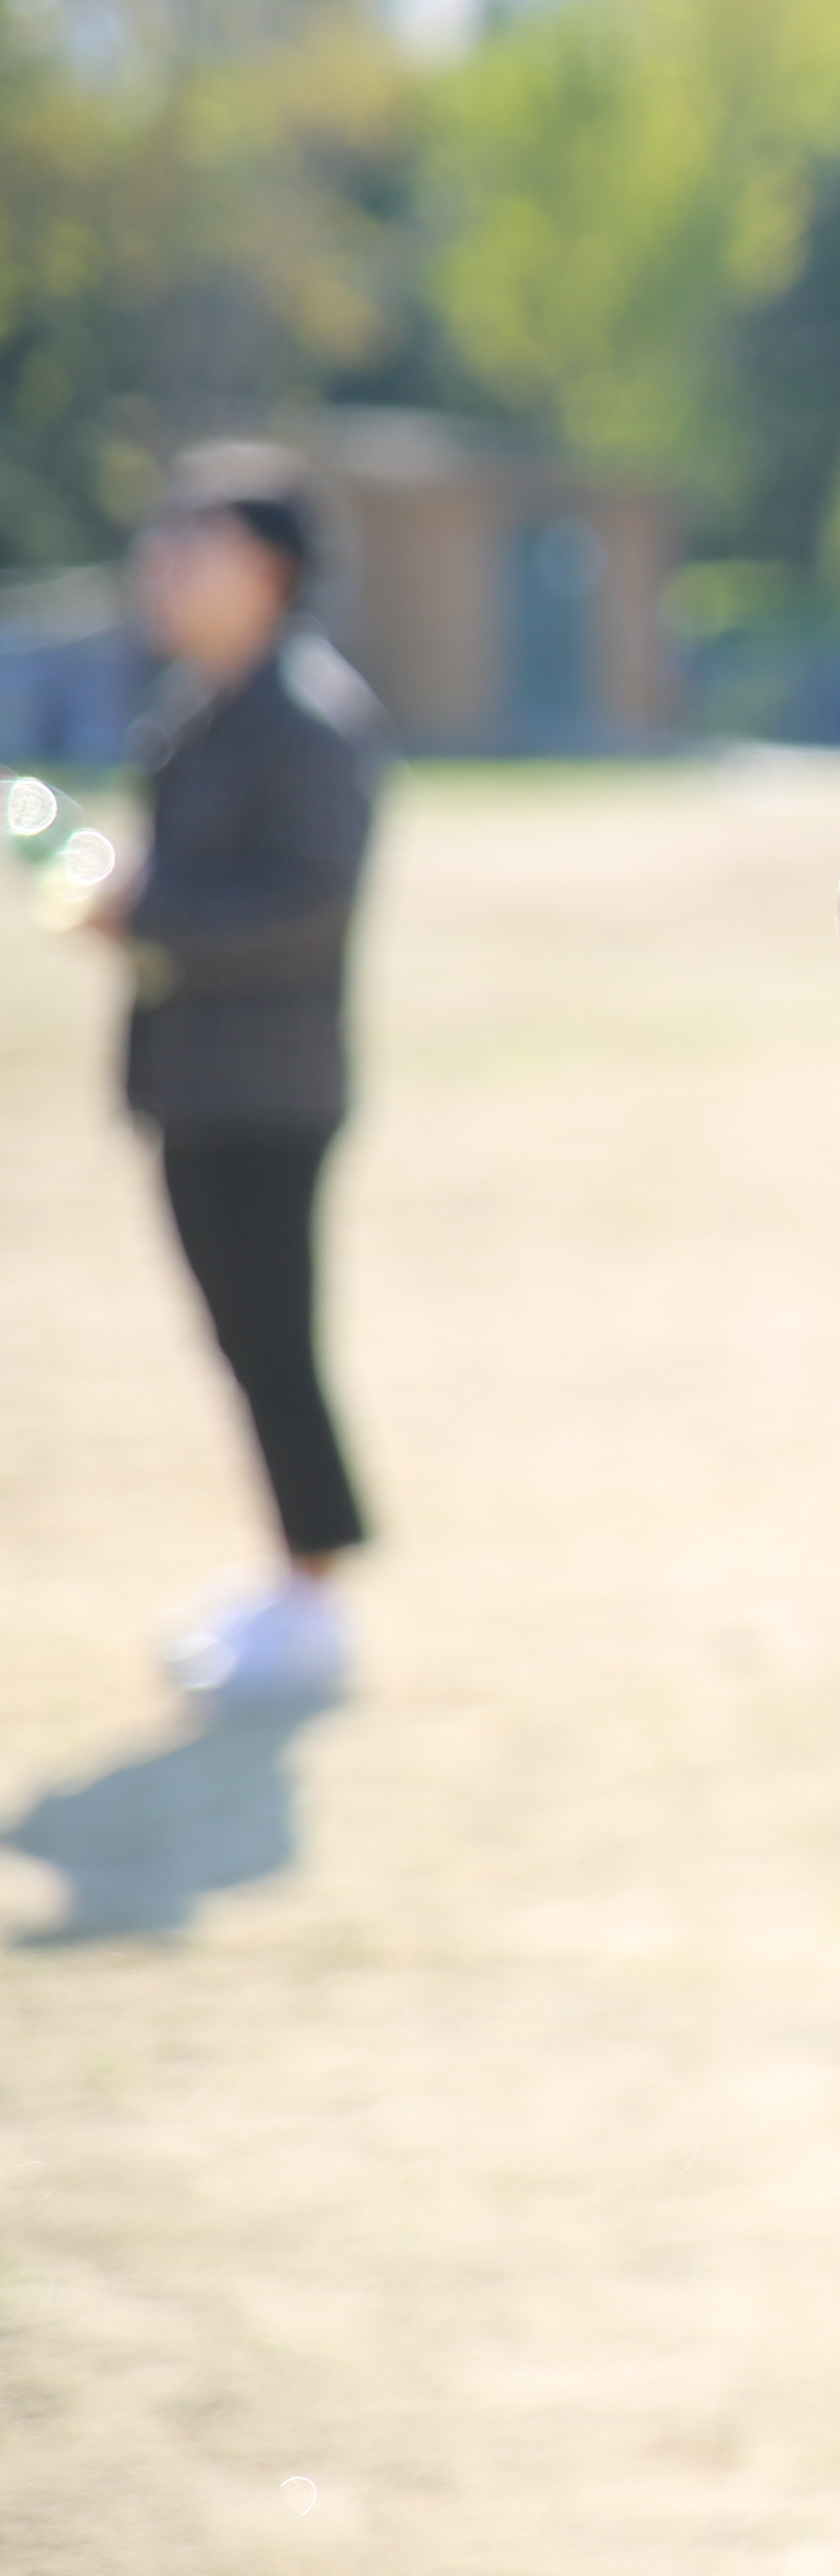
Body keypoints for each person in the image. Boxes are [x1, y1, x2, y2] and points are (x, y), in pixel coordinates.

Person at [92, 446, 390, 1705]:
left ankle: (314, 1591)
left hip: (270, 1087)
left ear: (268, 569)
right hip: (193, 1078)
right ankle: (291, 1572)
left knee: (275, 1338)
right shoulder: (198, 708)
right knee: (241, 1340)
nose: (161, 565)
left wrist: (143, 912)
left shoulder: (307, 719)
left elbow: (311, 906)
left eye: (192, 543)